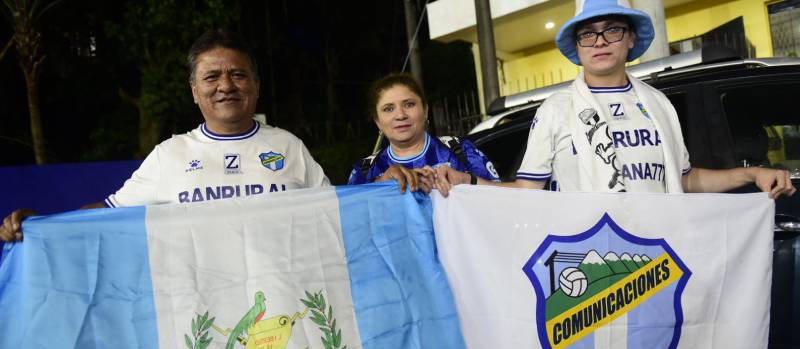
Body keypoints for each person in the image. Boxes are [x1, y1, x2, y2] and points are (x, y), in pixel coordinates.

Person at [434, 0, 795, 199]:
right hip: (592, 267)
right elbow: (529, 191)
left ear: (630, 41)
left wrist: (753, 172)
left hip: (661, 258)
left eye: (612, 30)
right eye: (588, 34)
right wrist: (467, 182)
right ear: (577, 48)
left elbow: (685, 181)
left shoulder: (659, 105)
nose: (601, 41)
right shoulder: (557, 111)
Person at [1, 29, 330, 243]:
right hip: (199, 312)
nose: (226, 86)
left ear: (256, 85)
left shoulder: (288, 146)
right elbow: (108, 211)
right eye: (212, 77)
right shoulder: (170, 154)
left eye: (238, 75)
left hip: (279, 296)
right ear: (195, 91)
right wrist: (41, 224)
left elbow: (335, 215)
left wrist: (382, 192)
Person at [348, 72, 500, 188]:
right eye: (388, 109)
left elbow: (505, 198)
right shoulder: (365, 170)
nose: (400, 115)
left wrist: (467, 179)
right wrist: (381, 183)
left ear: (425, 110)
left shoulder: (460, 150)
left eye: (409, 105)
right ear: (377, 121)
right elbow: (351, 222)